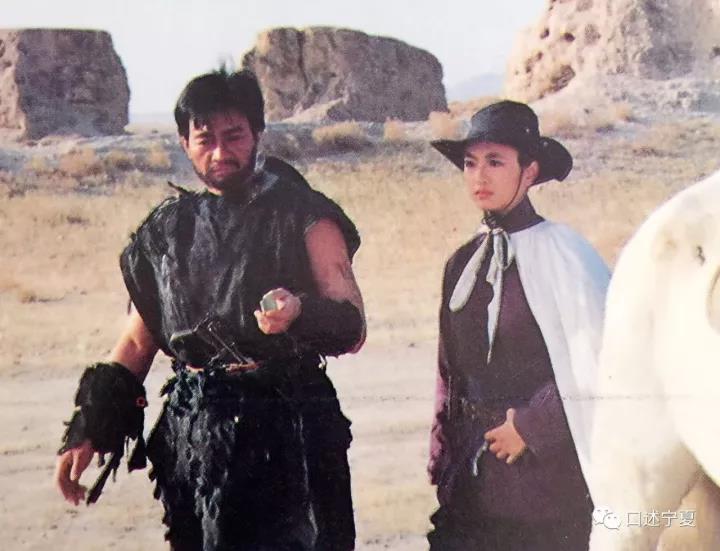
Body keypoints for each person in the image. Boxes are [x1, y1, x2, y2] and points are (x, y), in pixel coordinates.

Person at [53, 68, 365, 551]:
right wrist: (90, 427)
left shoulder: (303, 214)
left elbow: (352, 325)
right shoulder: (167, 233)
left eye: (234, 135)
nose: (221, 152)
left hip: (291, 434)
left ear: (257, 133)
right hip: (196, 439)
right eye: (205, 139)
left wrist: (300, 312)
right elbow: (136, 342)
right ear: (185, 143)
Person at [426, 100, 610, 550]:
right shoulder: (462, 263)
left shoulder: (565, 254)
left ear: (529, 171)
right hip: (470, 482)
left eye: (495, 162)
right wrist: (441, 446)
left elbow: (600, 361)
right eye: (470, 163)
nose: (479, 176)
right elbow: (449, 370)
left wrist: (532, 426)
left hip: (544, 483)